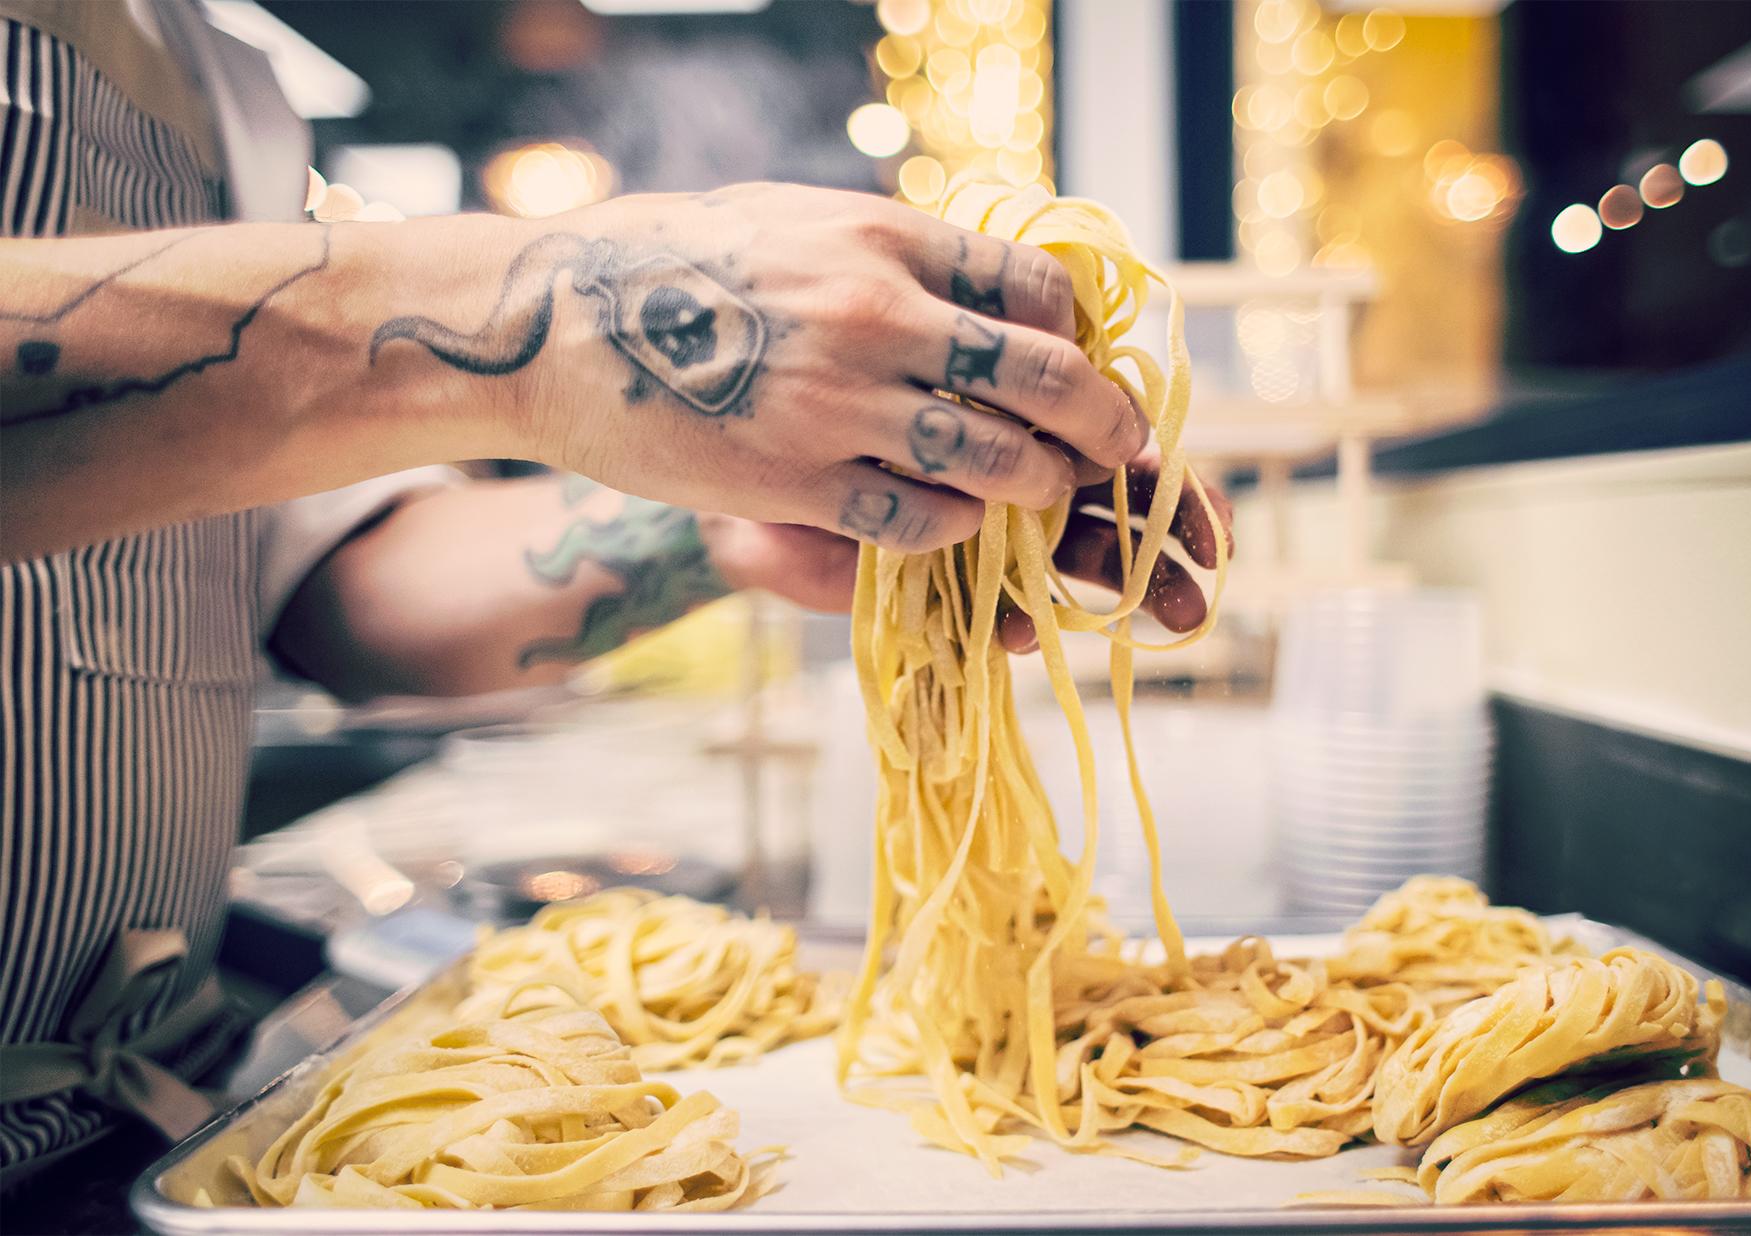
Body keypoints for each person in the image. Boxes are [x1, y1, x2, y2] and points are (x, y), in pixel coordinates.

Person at [0, 0, 1230, 1199]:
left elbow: (339, 594)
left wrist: (730, 526)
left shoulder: (213, 65)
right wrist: (542, 319)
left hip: (159, 1110)